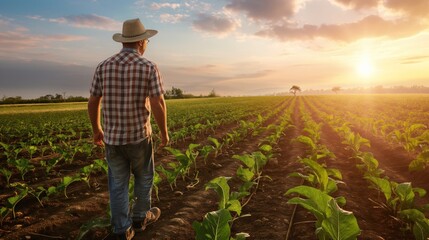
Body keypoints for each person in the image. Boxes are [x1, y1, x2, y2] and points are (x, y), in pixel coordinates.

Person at [87, 18, 169, 240]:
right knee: (144, 177)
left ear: (124, 41)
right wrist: (164, 132)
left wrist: (97, 129)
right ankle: (141, 217)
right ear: (142, 42)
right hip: (139, 136)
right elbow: (158, 102)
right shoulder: (149, 66)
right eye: (147, 41)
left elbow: (93, 101)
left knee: (118, 183)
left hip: (113, 138)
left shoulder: (103, 66)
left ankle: (121, 229)